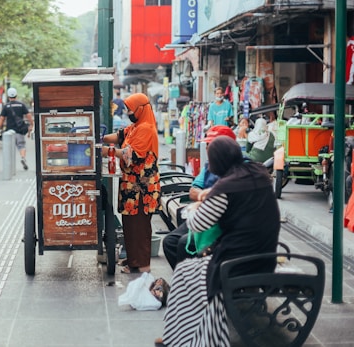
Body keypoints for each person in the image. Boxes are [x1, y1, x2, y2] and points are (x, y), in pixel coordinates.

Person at [156, 136, 280, 347]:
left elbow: (197, 224)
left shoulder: (227, 187)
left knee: (185, 275)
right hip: (265, 256)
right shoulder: (258, 173)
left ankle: (182, 337)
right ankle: (194, 331)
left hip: (236, 263)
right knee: (193, 270)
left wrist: (193, 208)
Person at [162, 125, 236, 270]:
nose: (207, 149)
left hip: (224, 222)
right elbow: (193, 191)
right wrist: (205, 195)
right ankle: (186, 280)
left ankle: (196, 281)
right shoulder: (210, 165)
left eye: (211, 145)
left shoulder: (240, 168)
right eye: (207, 145)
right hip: (206, 213)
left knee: (185, 244)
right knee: (170, 242)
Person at [101, 92, 160, 274]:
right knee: (130, 225)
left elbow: (131, 154)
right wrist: (98, 137)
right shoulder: (136, 126)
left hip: (142, 188)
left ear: (141, 109)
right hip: (131, 185)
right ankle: (133, 261)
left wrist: (105, 151)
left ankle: (143, 266)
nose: (128, 112)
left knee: (140, 227)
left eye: (130, 109)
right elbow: (119, 136)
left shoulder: (146, 129)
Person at [0, 87, 33, 170]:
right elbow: (28, 115)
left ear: (8, 96)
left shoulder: (6, 106)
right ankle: (23, 158)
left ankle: (9, 165)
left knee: (9, 148)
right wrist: (31, 124)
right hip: (20, 130)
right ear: (16, 95)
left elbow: (2, 118)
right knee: (21, 146)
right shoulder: (21, 105)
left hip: (9, 131)